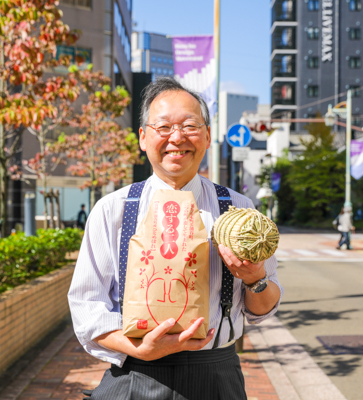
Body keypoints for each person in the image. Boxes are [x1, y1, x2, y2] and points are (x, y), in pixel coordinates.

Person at [67, 77, 283, 400]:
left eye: (190, 126)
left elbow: (263, 309)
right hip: (134, 375)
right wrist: (138, 349)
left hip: (216, 378)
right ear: (143, 138)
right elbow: (87, 308)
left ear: (208, 136)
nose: (177, 138)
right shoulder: (112, 210)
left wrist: (255, 278)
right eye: (164, 127)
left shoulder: (240, 210)